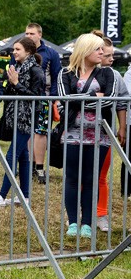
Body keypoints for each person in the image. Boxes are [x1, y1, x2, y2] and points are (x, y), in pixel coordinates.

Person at [57, 33, 116, 239]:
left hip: (100, 135)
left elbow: (109, 100)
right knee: (72, 178)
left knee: (92, 179)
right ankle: (73, 222)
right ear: (86, 50)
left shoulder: (107, 73)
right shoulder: (66, 72)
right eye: (98, 49)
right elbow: (64, 99)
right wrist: (93, 97)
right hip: (73, 132)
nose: (102, 52)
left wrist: (80, 99)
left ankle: (88, 223)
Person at [0, 37, 44, 207]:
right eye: (14, 49)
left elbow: (35, 97)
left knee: (12, 155)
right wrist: (9, 84)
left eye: (17, 49)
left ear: (28, 51)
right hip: (14, 116)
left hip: (27, 118)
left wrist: (17, 83)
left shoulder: (36, 71)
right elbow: (9, 90)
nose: (14, 52)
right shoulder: (16, 68)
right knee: (23, 156)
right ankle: (24, 196)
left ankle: (2, 195)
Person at [20, 23, 62, 184]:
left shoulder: (51, 53)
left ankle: (39, 167)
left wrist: (53, 99)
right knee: (27, 131)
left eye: (31, 33)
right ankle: (28, 165)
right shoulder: (19, 50)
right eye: (26, 33)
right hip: (24, 98)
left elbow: (57, 76)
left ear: (40, 35)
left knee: (41, 132)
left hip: (44, 98)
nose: (28, 36)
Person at [95, 38, 127, 232]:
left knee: (101, 176)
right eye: (107, 55)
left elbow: (122, 102)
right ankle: (79, 216)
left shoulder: (114, 75)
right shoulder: (78, 72)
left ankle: (101, 214)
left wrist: (122, 127)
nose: (111, 58)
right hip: (80, 131)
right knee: (80, 176)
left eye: (112, 55)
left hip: (105, 130)